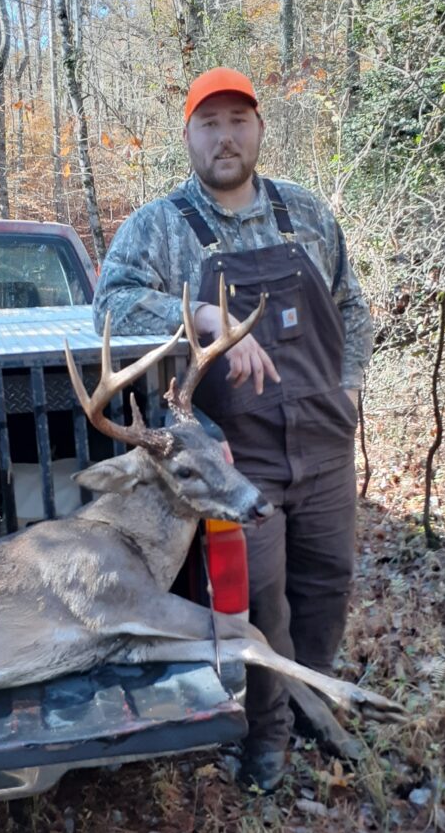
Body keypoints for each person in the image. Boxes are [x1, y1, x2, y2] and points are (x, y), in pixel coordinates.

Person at [93, 67, 373, 791]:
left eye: (237, 120)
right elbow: (111, 306)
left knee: (326, 582)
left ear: (258, 128)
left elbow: (350, 306)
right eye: (209, 123)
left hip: (322, 439)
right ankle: (267, 735)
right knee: (261, 600)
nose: (225, 137)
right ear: (187, 135)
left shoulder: (304, 213)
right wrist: (203, 317)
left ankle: (313, 703)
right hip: (234, 458)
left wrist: (347, 389)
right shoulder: (158, 227)